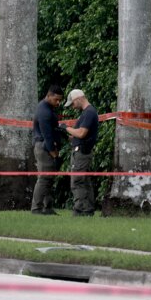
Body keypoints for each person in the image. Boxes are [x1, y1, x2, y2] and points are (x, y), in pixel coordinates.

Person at [63, 89, 99, 217]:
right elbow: (79, 135)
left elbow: (81, 133)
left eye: (72, 104)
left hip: (82, 153)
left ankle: (80, 210)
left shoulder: (89, 113)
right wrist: (66, 135)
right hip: (82, 151)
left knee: (77, 181)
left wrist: (66, 128)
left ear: (78, 99)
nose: (72, 107)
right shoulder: (86, 113)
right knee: (85, 181)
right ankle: (88, 209)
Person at [31, 84, 65, 215]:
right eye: (56, 99)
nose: (58, 103)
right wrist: (53, 153)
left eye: (60, 100)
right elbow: (47, 135)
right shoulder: (44, 111)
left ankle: (47, 207)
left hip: (45, 146)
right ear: (49, 95)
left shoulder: (47, 108)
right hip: (44, 147)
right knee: (44, 178)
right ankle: (36, 208)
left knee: (49, 178)